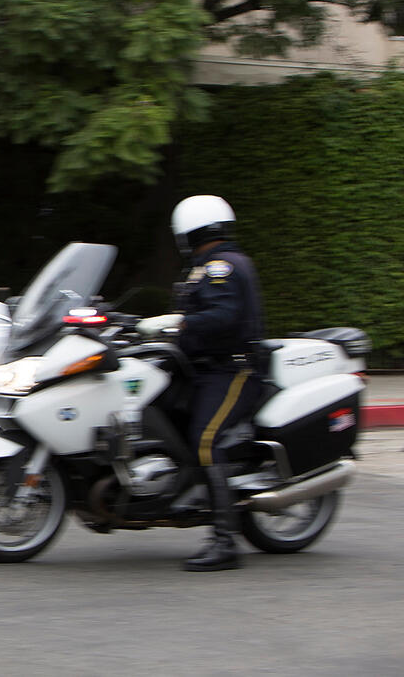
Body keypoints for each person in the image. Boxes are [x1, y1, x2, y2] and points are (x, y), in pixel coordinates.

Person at [138, 194, 265, 572]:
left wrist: (180, 323)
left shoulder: (222, 266)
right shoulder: (207, 266)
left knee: (206, 440)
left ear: (188, 233)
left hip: (232, 371)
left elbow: (224, 315)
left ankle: (225, 541)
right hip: (201, 369)